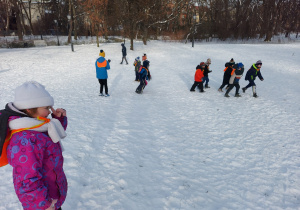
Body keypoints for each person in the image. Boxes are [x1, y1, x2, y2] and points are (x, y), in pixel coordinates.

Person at [0, 81, 68, 210]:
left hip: (51, 193)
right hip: (43, 203)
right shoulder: (24, 140)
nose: (49, 111)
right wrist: (43, 205)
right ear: (29, 109)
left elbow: (50, 136)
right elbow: (26, 179)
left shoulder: (36, 125)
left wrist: (58, 119)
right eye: (46, 108)